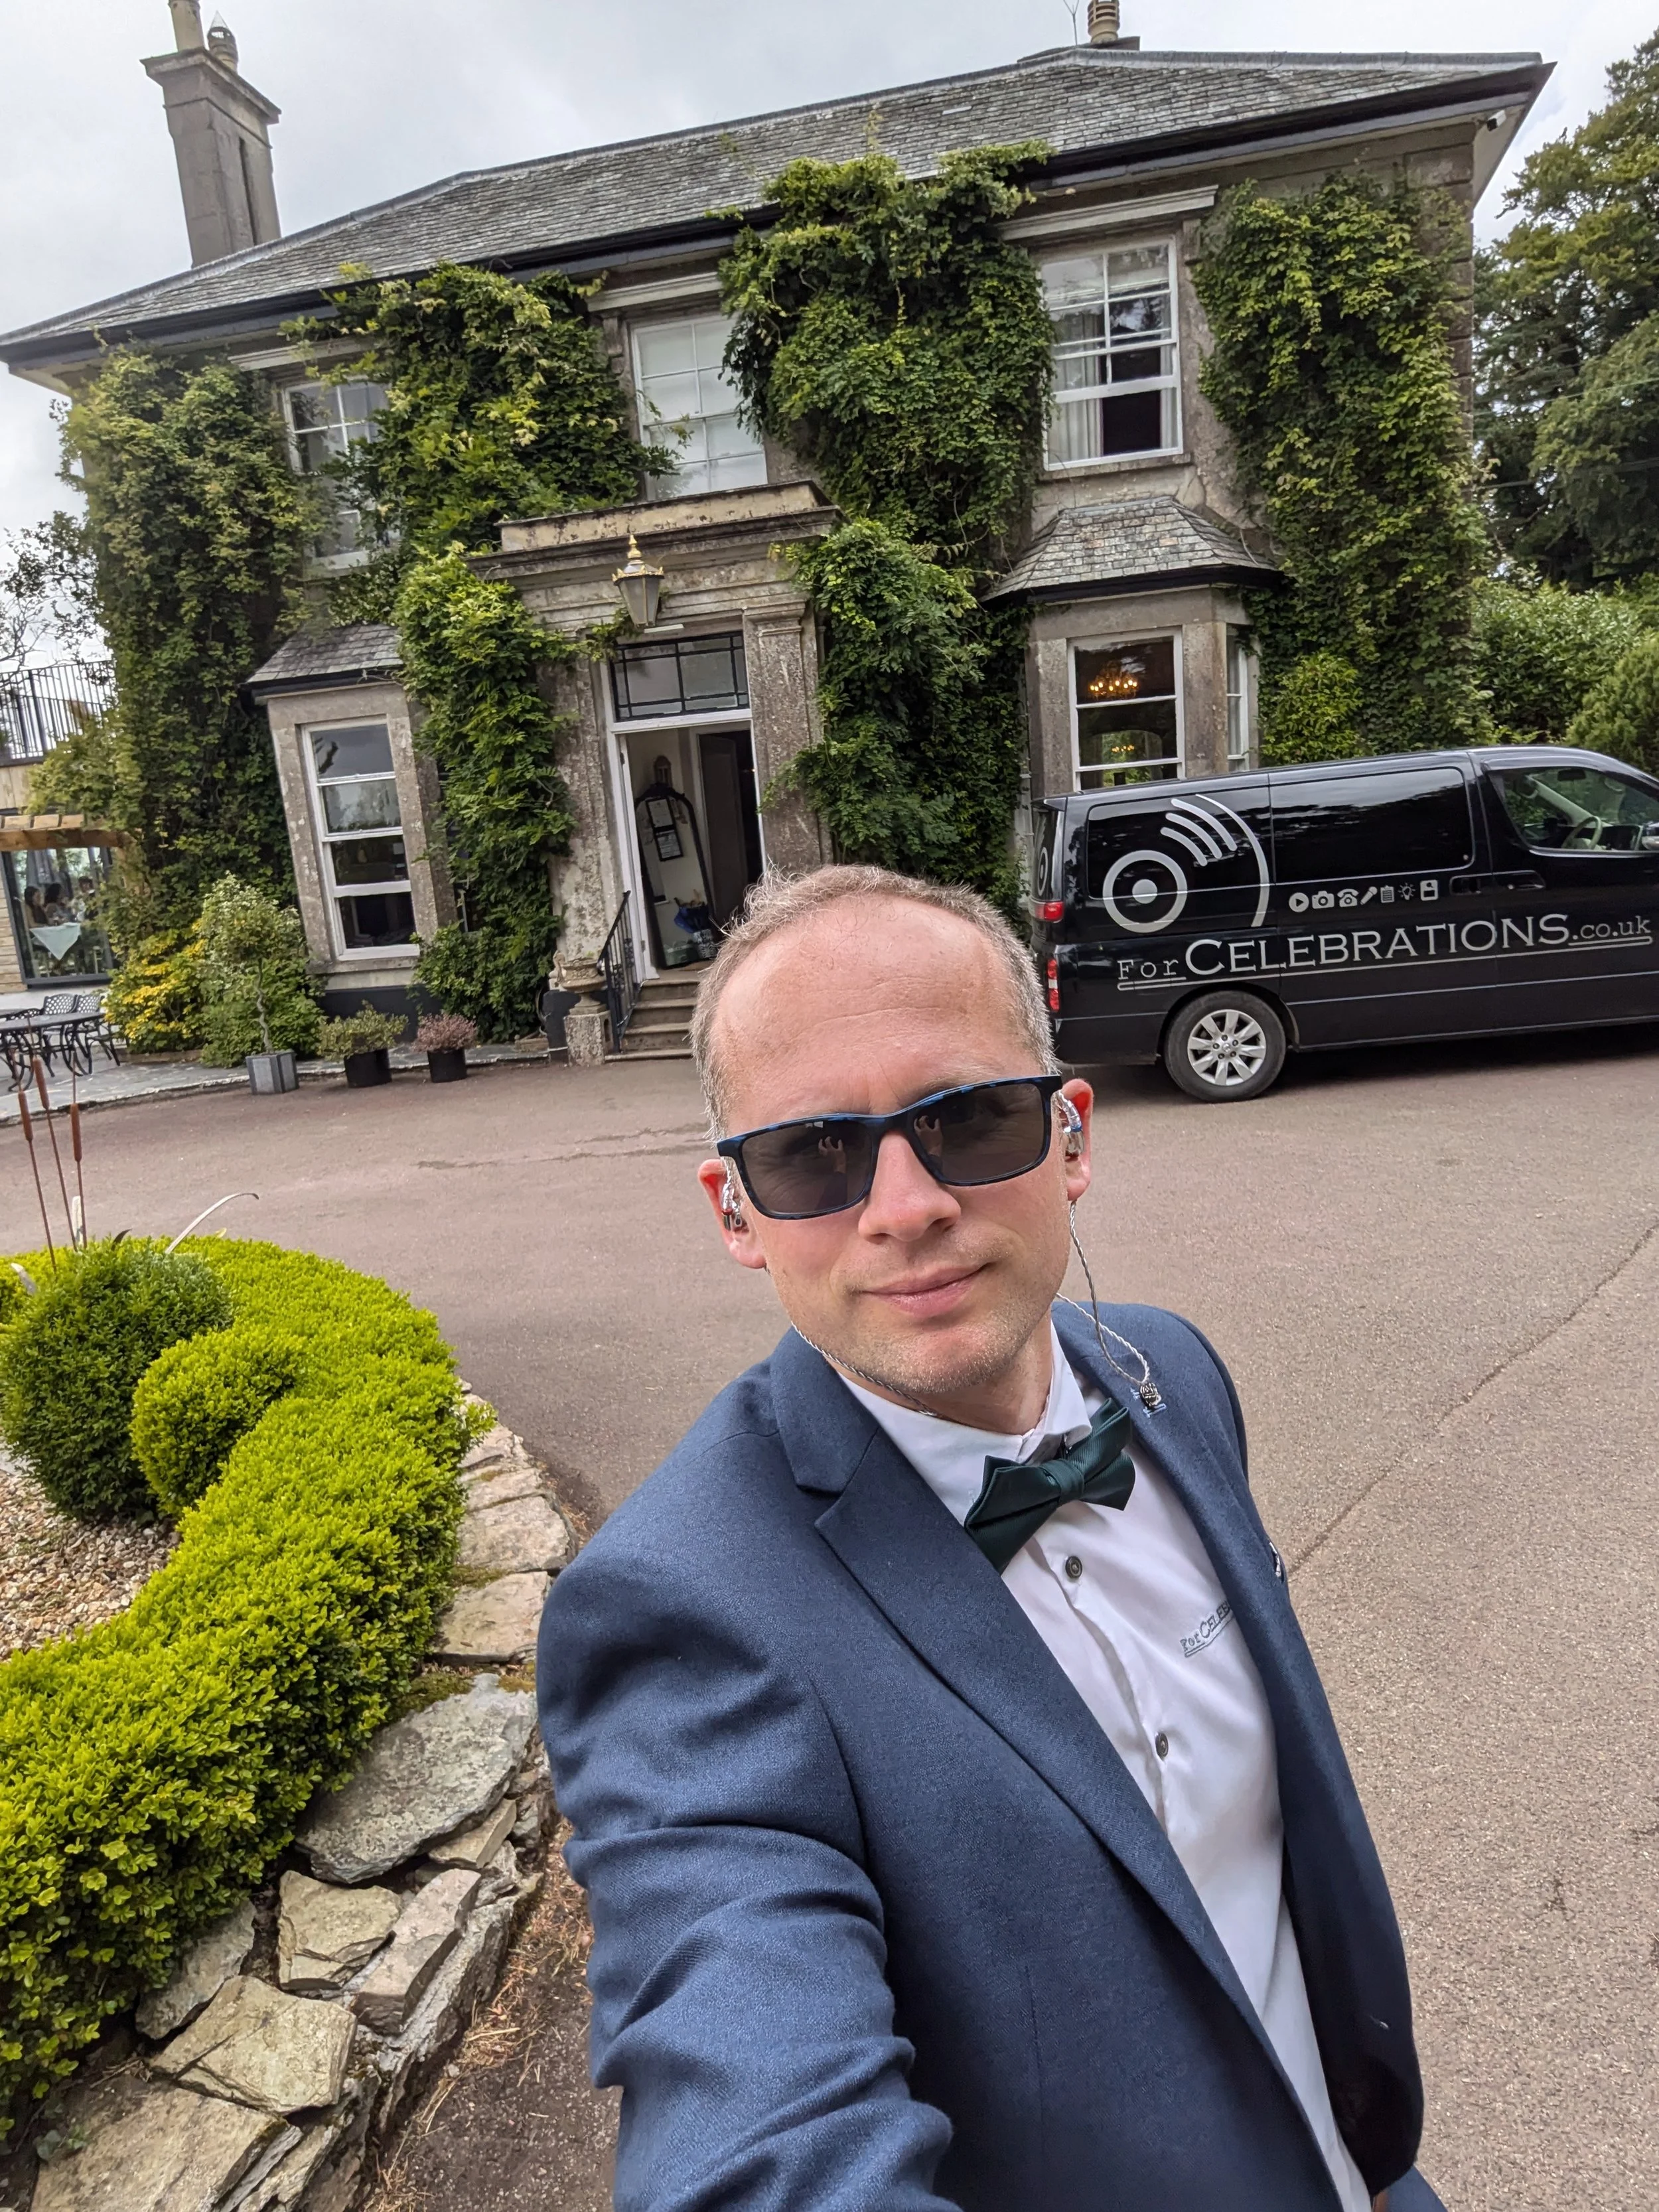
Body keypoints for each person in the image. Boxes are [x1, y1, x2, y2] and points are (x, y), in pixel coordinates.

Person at [538, 864, 1443, 2212]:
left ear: (1069, 1133)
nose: (902, 1204)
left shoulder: (1169, 1374)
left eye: (964, 1119)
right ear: (736, 1213)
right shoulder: (679, 1612)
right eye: (813, 1154)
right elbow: (759, 2147)